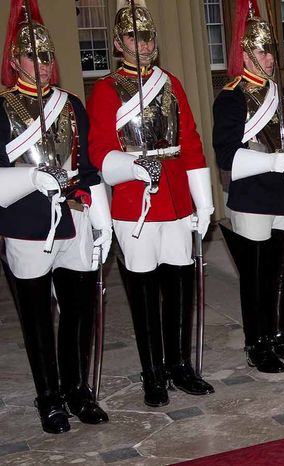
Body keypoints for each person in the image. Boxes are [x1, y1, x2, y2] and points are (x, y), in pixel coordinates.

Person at [86, 0, 215, 407]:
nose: (142, 44)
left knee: (179, 289)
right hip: (134, 203)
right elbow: (100, 154)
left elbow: (191, 143)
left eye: (148, 36)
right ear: (118, 43)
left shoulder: (171, 83)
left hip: (176, 199)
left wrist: (204, 201)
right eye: (133, 37)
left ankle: (179, 364)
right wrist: (132, 166)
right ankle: (153, 371)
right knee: (143, 294)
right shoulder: (106, 90)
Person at [0, 0, 111, 434]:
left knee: (79, 311)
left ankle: (77, 388)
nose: (43, 65)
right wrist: (31, 178)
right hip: (26, 225)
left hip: (74, 218)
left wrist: (103, 221)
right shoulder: (4, 106)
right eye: (33, 56)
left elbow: (87, 170)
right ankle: (48, 397)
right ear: (15, 60)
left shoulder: (69, 105)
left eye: (47, 57)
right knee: (37, 319)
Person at [213, 0, 284, 374]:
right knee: (255, 273)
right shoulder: (231, 96)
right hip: (252, 193)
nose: (269, 58)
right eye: (261, 50)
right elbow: (227, 154)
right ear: (244, 52)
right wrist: (272, 162)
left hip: (282, 193)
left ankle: (279, 334)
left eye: (271, 50)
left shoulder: (280, 95)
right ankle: (256, 340)